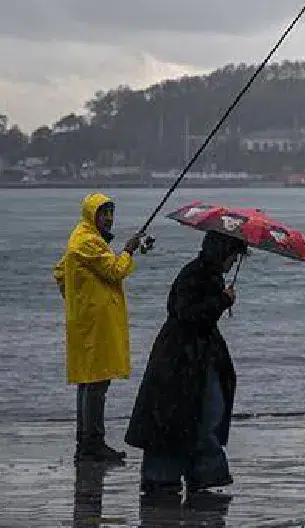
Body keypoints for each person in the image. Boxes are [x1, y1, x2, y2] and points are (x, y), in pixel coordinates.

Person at [125, 231, 248, 498]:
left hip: (190, 355)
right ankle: (188, 476)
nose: (233, 262)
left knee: (196, 415)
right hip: (182, 357)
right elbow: (186, 313)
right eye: (232, 256)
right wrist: (222, 301)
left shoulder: (205, 273)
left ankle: (186, 476)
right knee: (196, 415)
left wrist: (220, 301)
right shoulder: (196, 274)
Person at [54, 192, 144, 462]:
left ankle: (86, 442)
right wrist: (128, 250)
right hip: (95, 324)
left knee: (88, 381)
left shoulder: (82, 237)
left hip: (86, 321)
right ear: (91, 214)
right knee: (96, 382)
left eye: (110, 213)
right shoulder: (88, 241)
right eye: (103, 213)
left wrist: (78, 298)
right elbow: (116, 271)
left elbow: (60, 272)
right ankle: (92, 444)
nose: (109, 218)